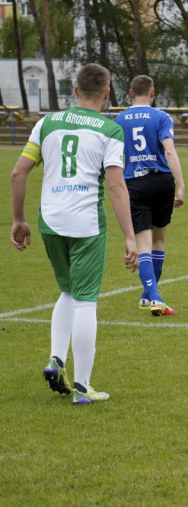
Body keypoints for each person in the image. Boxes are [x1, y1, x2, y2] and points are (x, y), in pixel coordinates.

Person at [10, 63, 139, 404]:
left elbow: (18, 173)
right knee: (85, 301)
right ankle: (82, 387)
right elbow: (115, 185)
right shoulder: (110, 130)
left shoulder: (47, 122)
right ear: (107, 94)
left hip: (49, 220)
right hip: (85, 223)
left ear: (76, 91)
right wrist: (129, 236)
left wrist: (18, 219)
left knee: (67, 291)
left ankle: (56, 358)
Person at [115, 75, 186, 316]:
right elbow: (169, 150)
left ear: (131, 93)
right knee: (158, 241)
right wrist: (181, 185)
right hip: (161, 181)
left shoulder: (119, 119)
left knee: (143, 244)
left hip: (134, 183)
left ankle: (150, 296)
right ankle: (153, 297)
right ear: (152, 92)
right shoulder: (161, 117)